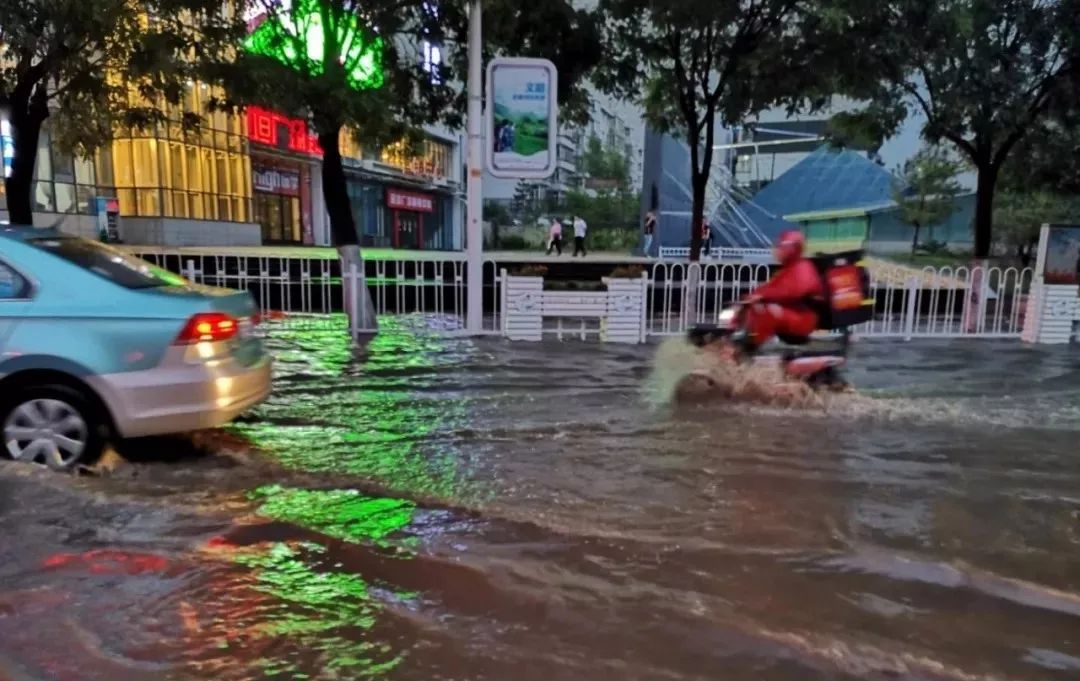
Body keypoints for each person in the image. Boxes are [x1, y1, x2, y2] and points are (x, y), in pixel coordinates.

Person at [735, 229, 824, 353]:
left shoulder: (803, 267)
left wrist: (762, 296)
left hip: (802, 317)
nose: (777, 250)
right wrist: (751, 296)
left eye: (780, 246)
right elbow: (771, 287)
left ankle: (751, 349)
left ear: (791, 248)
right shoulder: (787, 269)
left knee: (769, 310)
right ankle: (736, 339)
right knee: (752, 308)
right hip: (792, 313)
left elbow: (794, 290)